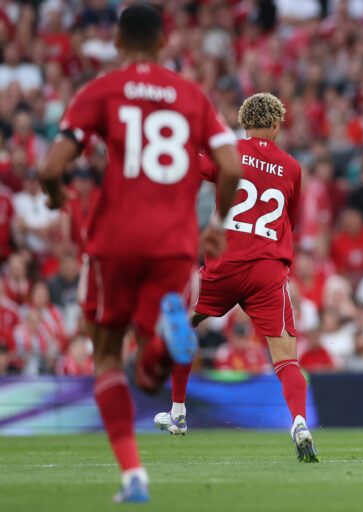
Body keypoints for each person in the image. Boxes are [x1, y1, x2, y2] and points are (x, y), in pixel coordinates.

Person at [37, 3, 241, 503]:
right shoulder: (191, 96)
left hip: (115, 240)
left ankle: (133, 476)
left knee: (106, 354)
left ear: (117, 42)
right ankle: (161, 341)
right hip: (174, 244)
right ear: (165, 43)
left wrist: (54, 196)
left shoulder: (102, 90)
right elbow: (231, 167)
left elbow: (51, 168)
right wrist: (215, 225)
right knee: (151, 374)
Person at [167, 92, 317, 463]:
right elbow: (290, 222)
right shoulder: (293, 167)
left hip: (224, 264)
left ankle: (178, 412)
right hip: (268, 269)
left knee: (182, 329)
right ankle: (299, 422)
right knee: (286, 359)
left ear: (244, 121)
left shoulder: (227, 151)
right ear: (277, 125)